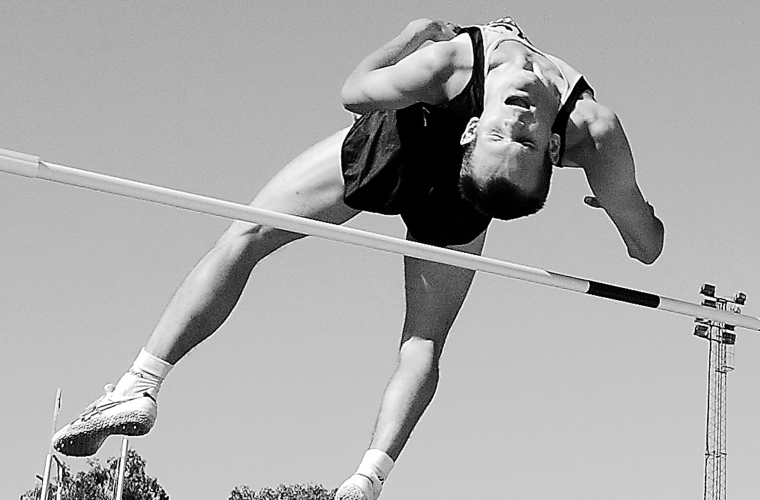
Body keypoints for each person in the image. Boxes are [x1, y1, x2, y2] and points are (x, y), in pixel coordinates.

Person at [52, 16, 664, 500]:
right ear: (471, 131)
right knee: (416, 339)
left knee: (247, 237)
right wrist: (617, 201)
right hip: (425, 171)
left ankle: (358, 478)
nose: (520, 116)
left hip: (412, 162)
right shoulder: (585, 128)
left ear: (550, 146)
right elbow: (645, 243)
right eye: (510, 131)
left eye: (522, 138)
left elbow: (354, 92)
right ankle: (145, 391)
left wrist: (410, 34)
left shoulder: (453, 62)